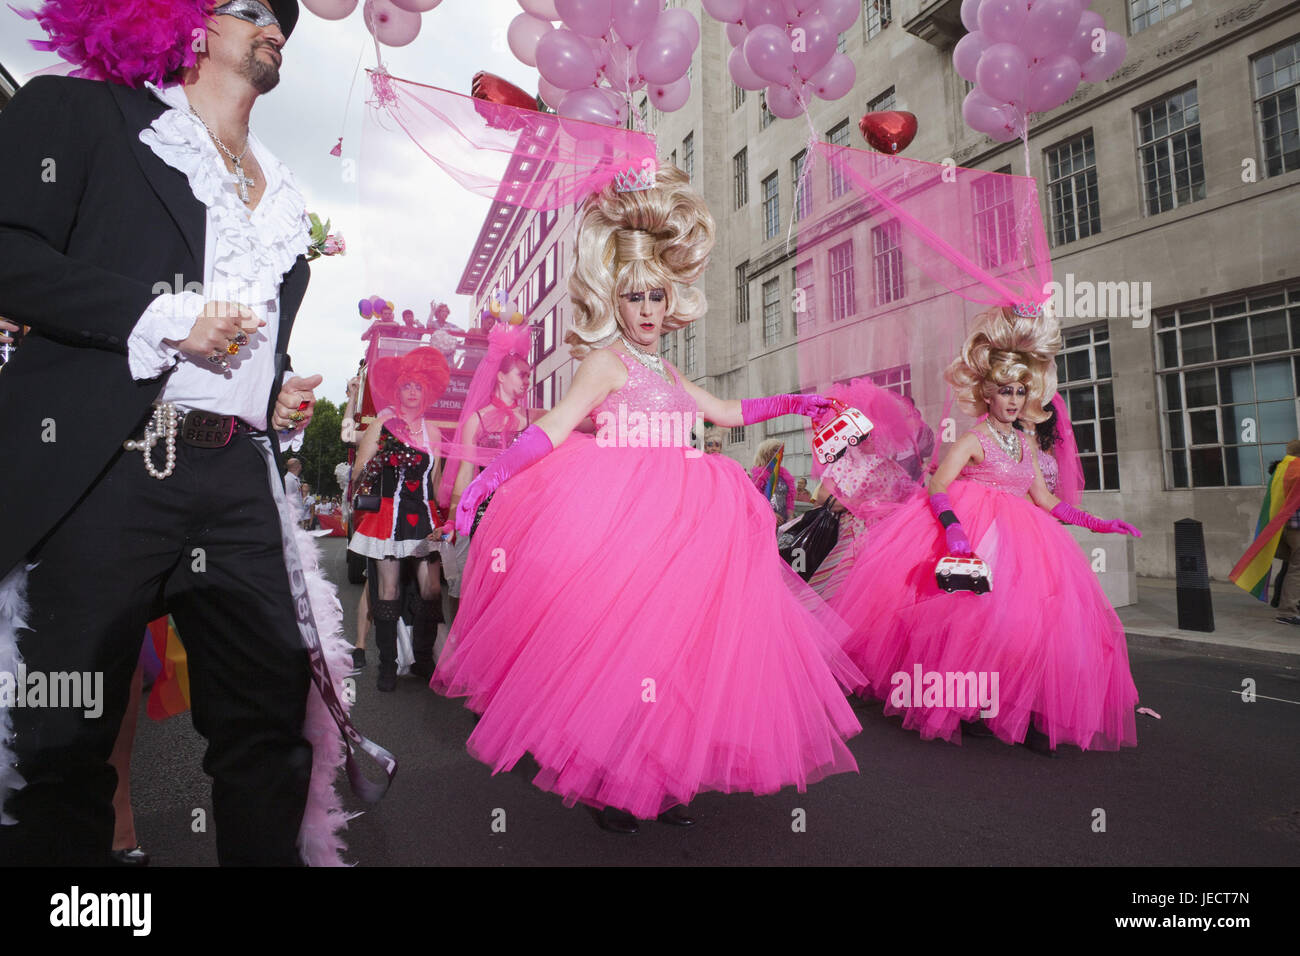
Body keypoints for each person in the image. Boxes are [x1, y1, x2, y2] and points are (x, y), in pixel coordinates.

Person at [0, 0, 361, 866]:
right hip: (106, 466)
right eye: (251, 9)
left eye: (284, 18)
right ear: (186, 21)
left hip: (236, 477)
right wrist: (159, 317)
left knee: (269, 727)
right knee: (63, 736)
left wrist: (272, 389)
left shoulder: (284, 193)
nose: (276, 27)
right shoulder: (81, 112)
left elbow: (246, 340)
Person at [433, 165, 864, 834]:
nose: (646, 310)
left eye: (655, 297)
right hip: (620, 523)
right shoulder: (604, 362)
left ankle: (662, 774)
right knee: (620, 654)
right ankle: (612, 781)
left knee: (676, 654)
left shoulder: (666, 368)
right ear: (616, 300)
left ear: (671, 301)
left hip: (686, 527)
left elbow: (726, 411)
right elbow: (555, 426)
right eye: (633, 297)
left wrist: (796, 402)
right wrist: (491, 478)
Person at [827, 307, 1142, 755]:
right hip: (976, 536)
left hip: (1025, 543)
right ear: (987, 395)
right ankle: (970, 705)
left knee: (1031, 628)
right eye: (1005, 391)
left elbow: (1046, 500)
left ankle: (1025, 712)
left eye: (1020, 391)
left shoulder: (1026, 442)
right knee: (977, 627)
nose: (1013, 400)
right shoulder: (973, 440)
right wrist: (954, 531)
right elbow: (937, 485)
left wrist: (1100, 523)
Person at [349, 346, 450, 690]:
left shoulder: (433, 432)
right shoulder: (381, 425)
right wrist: (382, 460)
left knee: (431, 589)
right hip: (388, 518)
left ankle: (422, 659)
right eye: (407, 386)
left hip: (423, 518)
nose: (412, 392)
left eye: (418, 387)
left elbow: (436, 481)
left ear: (426, 392)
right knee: (388, 590)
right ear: (398, 391)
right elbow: (358, 474)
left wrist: (445, 519)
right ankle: (388, 666)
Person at [1231, 439, 1300, 624]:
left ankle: (1282, 601)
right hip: (1296, 527)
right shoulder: (1297, 470)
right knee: (1296, 569)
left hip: (1284, 526)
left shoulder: (1282, 469)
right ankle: (1287, 611)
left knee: (1290, 566)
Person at [751, 439, 795, 523]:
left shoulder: (784, 475)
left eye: (782, 451)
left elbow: (789, 499)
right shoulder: (758, 475)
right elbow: (754, 501)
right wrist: (770, 514)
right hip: (765, 522)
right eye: (775, 450)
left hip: (783, 522)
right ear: (766, 453)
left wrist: (790, 516)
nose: (780, 454)